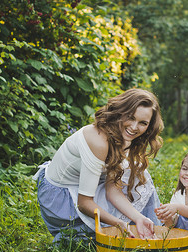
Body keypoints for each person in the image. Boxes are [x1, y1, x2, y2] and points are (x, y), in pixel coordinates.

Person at [33, 88, 164, 242]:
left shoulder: (122, 135)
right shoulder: (98, 141)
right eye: (130, 117)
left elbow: (112, 189)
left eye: (143, 123)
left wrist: (139, 217)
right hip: (60, 200)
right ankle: (74, 234)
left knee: (138, 175)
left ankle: (153, 235)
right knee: (97, 240)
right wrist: (117, 223)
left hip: (84, 188)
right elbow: (84, 203)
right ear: (120, 111)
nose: (134, 127)